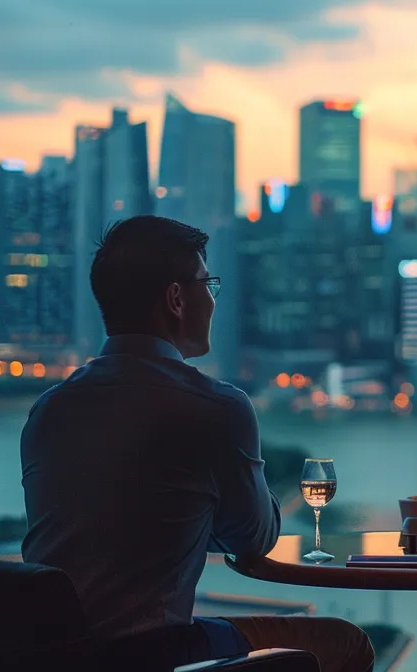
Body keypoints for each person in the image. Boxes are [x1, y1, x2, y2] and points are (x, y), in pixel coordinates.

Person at [21, 216, 374, 671]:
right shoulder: (215, 406)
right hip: (150, 652)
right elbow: (254, 539)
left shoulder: (50, 408)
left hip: (48, 655)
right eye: (208, 285)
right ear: (176, 298)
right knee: (344, 643)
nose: (212, 299)